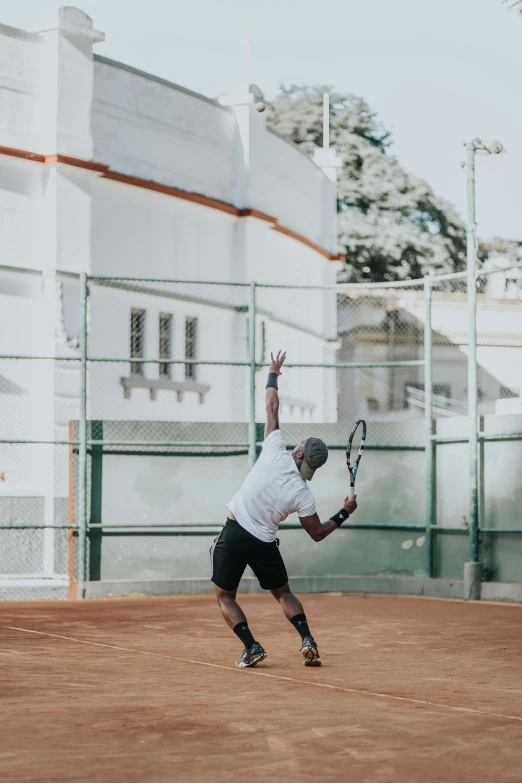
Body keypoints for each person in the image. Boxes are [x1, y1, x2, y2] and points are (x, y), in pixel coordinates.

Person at [210, 350, 358, 668]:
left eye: (301, 445)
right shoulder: (303, 494)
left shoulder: (275, 449)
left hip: (235, 533)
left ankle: (251, 647)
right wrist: (344, 512)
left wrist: (273, 373)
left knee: (224, 596)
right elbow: (317, 533)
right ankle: (308, 640)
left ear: (300, 452)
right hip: (263, 543)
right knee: (283, 593)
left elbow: (271, 406)